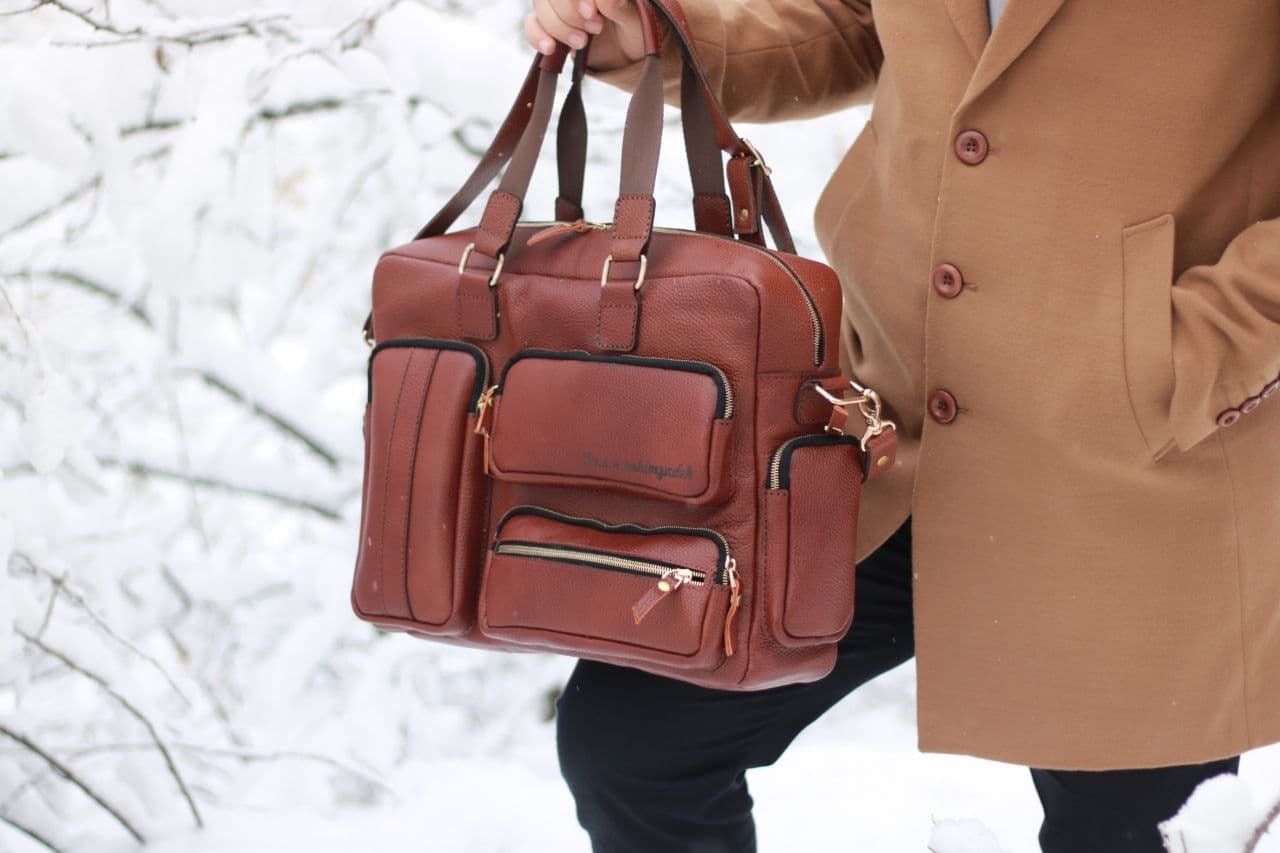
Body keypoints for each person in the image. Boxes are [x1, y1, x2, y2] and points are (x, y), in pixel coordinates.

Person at [522, 1, 1280, 850]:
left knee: (1127, 836)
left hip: (1133, 469)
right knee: (634, 737)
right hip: (882, 429)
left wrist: (1199, 351)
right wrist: (663, 38)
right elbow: (856, 21)